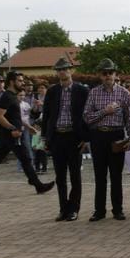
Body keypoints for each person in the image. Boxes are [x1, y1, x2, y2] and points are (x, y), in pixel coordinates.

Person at [0, 70, 56, 198]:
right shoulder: (7, 96)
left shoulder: (12, 96)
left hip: (12, 134)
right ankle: (37, 184)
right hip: (12, 135)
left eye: (22, 81)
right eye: (20, 81)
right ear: (12, 81)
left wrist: (27, 127)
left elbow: (15, 117)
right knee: (26, 159)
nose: (22, 83)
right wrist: (12, 129)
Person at [83, 59, 130, 221]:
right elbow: (87, 117)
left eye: (110, 73)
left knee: (116, 175)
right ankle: (99, 210)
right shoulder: (93, 93)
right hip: (98, 136)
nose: (107, 76)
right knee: (100, 175)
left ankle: (118, 209)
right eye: (104, 73)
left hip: (116, 136)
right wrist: (104, 111)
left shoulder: (124, 93)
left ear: (115, 74)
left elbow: (129, 118)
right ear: (100, 75)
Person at [41, 57, 89, 222]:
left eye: (65, 69)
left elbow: (88, 115)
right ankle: (63, 209)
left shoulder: (82, 91)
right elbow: (46, 115)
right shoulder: (53, 91)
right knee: (60, 176)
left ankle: (74, 209)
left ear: (71, 70)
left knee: (75, 175)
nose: (62, 72)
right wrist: (45, 137)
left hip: (74, 137)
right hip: (57, 137)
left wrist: (86, 138)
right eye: (59, 69)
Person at [31, 82, 48, 173]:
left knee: (42, 146)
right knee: (36, 146)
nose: (40, 90)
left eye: (42, 88)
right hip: (37, 122)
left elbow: (50, 109)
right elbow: (33, 112)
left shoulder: (49, 97)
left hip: (46, 122)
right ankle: (37, 166)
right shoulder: (36, 98)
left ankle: (44, 166)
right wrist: (35, 106)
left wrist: (42, 104)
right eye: (39, 88)